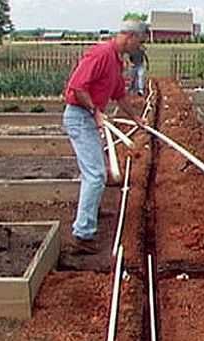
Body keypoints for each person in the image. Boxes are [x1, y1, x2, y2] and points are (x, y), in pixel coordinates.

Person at [63, 19, 148, 254]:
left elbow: (120, 95)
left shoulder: (116, 61)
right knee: (96, 174)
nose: (138, 47)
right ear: (129, 36)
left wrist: (136, 119)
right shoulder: (101, 54)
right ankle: (82, 234)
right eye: (139, 42)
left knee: (94, 170)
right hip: (80, 117)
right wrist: (95, 112)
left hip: (89, 117)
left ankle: (91, 212)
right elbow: (77, 87)